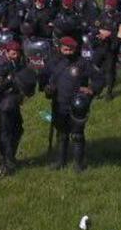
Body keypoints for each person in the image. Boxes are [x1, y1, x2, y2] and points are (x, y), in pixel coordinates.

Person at [44, 37, 105, 172]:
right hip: (59, 103)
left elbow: (99, 78)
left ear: (75, 49)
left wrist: (92, 90)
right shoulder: (53, 62)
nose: (67, 51)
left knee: (77, 134)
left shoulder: (82, 63)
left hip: (76, 105)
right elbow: (44, 78)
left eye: (70, 48)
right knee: (61, 134)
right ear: (59, 48)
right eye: (65, 48)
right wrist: (48, 89)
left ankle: (79, 163)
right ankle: (61, 161)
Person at [0, 41, 36, 176]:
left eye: (18, 53)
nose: (16, 56)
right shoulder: (0, 67)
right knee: (4, 135)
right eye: (13, 53)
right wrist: (10, 81)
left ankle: (11, 158)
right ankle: (3, 164)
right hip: (3, 106)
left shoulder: (16, 64)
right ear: (6, 52)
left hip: (13, 104)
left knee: (18, 130)